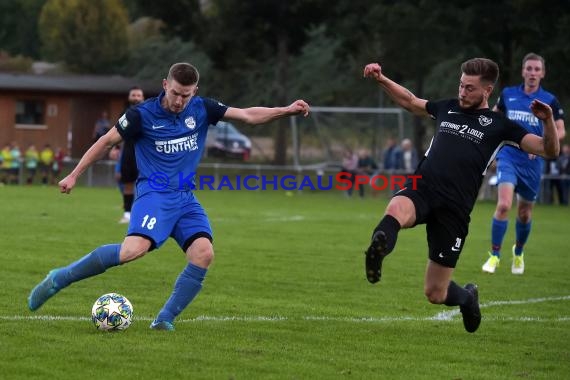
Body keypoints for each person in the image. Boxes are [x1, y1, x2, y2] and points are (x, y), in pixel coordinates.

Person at [28, 62, 310, 331]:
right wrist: (74, 174)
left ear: (194, 92)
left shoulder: (202, 108)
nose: (179, 100)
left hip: (185, 198)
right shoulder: (141, 114)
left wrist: (287, 110)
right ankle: (59, 278)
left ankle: (164, 319)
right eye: (175, 92)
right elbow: (106, 141)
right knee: (131, 251)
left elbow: (248, 115)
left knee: (203, 254)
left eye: (185, 95)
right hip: (154, 194)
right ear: (165, 85)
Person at [362, 58, 559, 333]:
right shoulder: (448, 108)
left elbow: (548, 150)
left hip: (455, 208)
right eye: (460, 86)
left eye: (469, 88)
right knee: (396, 209)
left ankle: (467, 298)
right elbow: (410, 101)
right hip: (424, 186)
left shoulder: (501, 125)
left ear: (487, 90)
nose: (462, 93)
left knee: (435, 292)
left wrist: (548, 121)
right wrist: (382, 79)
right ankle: (378, 250)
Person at [482, 53, 565, 275]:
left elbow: (561, 130)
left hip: (532, 163)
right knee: (503, 205)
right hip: (509, 156)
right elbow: (494, 118)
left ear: (543, 73)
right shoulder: (508, 95)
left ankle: (518, 253)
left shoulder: (549, 100)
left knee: (525, 214)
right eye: (529, 68)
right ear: (523, 71)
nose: (532, 73)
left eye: (537, 69)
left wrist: (542, 145)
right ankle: (495, 255)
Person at [118, 86, 145, 223]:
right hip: (128, 153)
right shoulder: (124, 114)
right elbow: (116, 134)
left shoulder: (148, 113)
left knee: (146, 185)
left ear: (142, 98)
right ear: (129, 97)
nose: (136, 98)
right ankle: (127, 214)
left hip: (146, 155)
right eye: (133, 95)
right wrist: (115, 148)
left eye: (138, 95)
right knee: (128, 184)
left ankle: (143, 214)